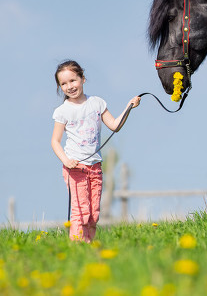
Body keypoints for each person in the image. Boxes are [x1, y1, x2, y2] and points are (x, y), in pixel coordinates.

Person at [51, 60, 140, 242]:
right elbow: (55, 141)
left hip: (95, 167)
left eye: (73, 80)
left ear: (83, 78)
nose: (69, 86)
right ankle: (77, 248)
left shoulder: (97, 103)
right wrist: (66, 160)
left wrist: (129, 107)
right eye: (64, 84)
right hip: (75, 169)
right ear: (60, 87)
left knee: (93, 214)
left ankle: (89, 246)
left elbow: (115, 125)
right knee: (80, 212)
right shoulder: (63, 111)